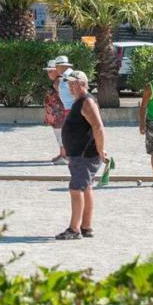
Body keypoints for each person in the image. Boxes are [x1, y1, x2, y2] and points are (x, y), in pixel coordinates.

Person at [55, 70, 106, 240]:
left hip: (85, 155)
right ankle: (86, 227)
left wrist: (101, 149)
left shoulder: (87, 102)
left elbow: (98, 127)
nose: (69, 86)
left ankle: (74, 229)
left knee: (76, 189)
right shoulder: (80, 101)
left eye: (73, 83)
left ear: (82, 84)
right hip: (80, 154)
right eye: (68, 83)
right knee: (86, 187)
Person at [43, 59, 67, 165]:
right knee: (59, 134)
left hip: (59, 113)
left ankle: (64, 155)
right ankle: (62, 154)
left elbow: (63, 96)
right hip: (56, 113)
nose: (48, 74)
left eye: (50, 71)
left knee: (61, 134)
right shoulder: (58, 81)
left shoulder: (59, 81)